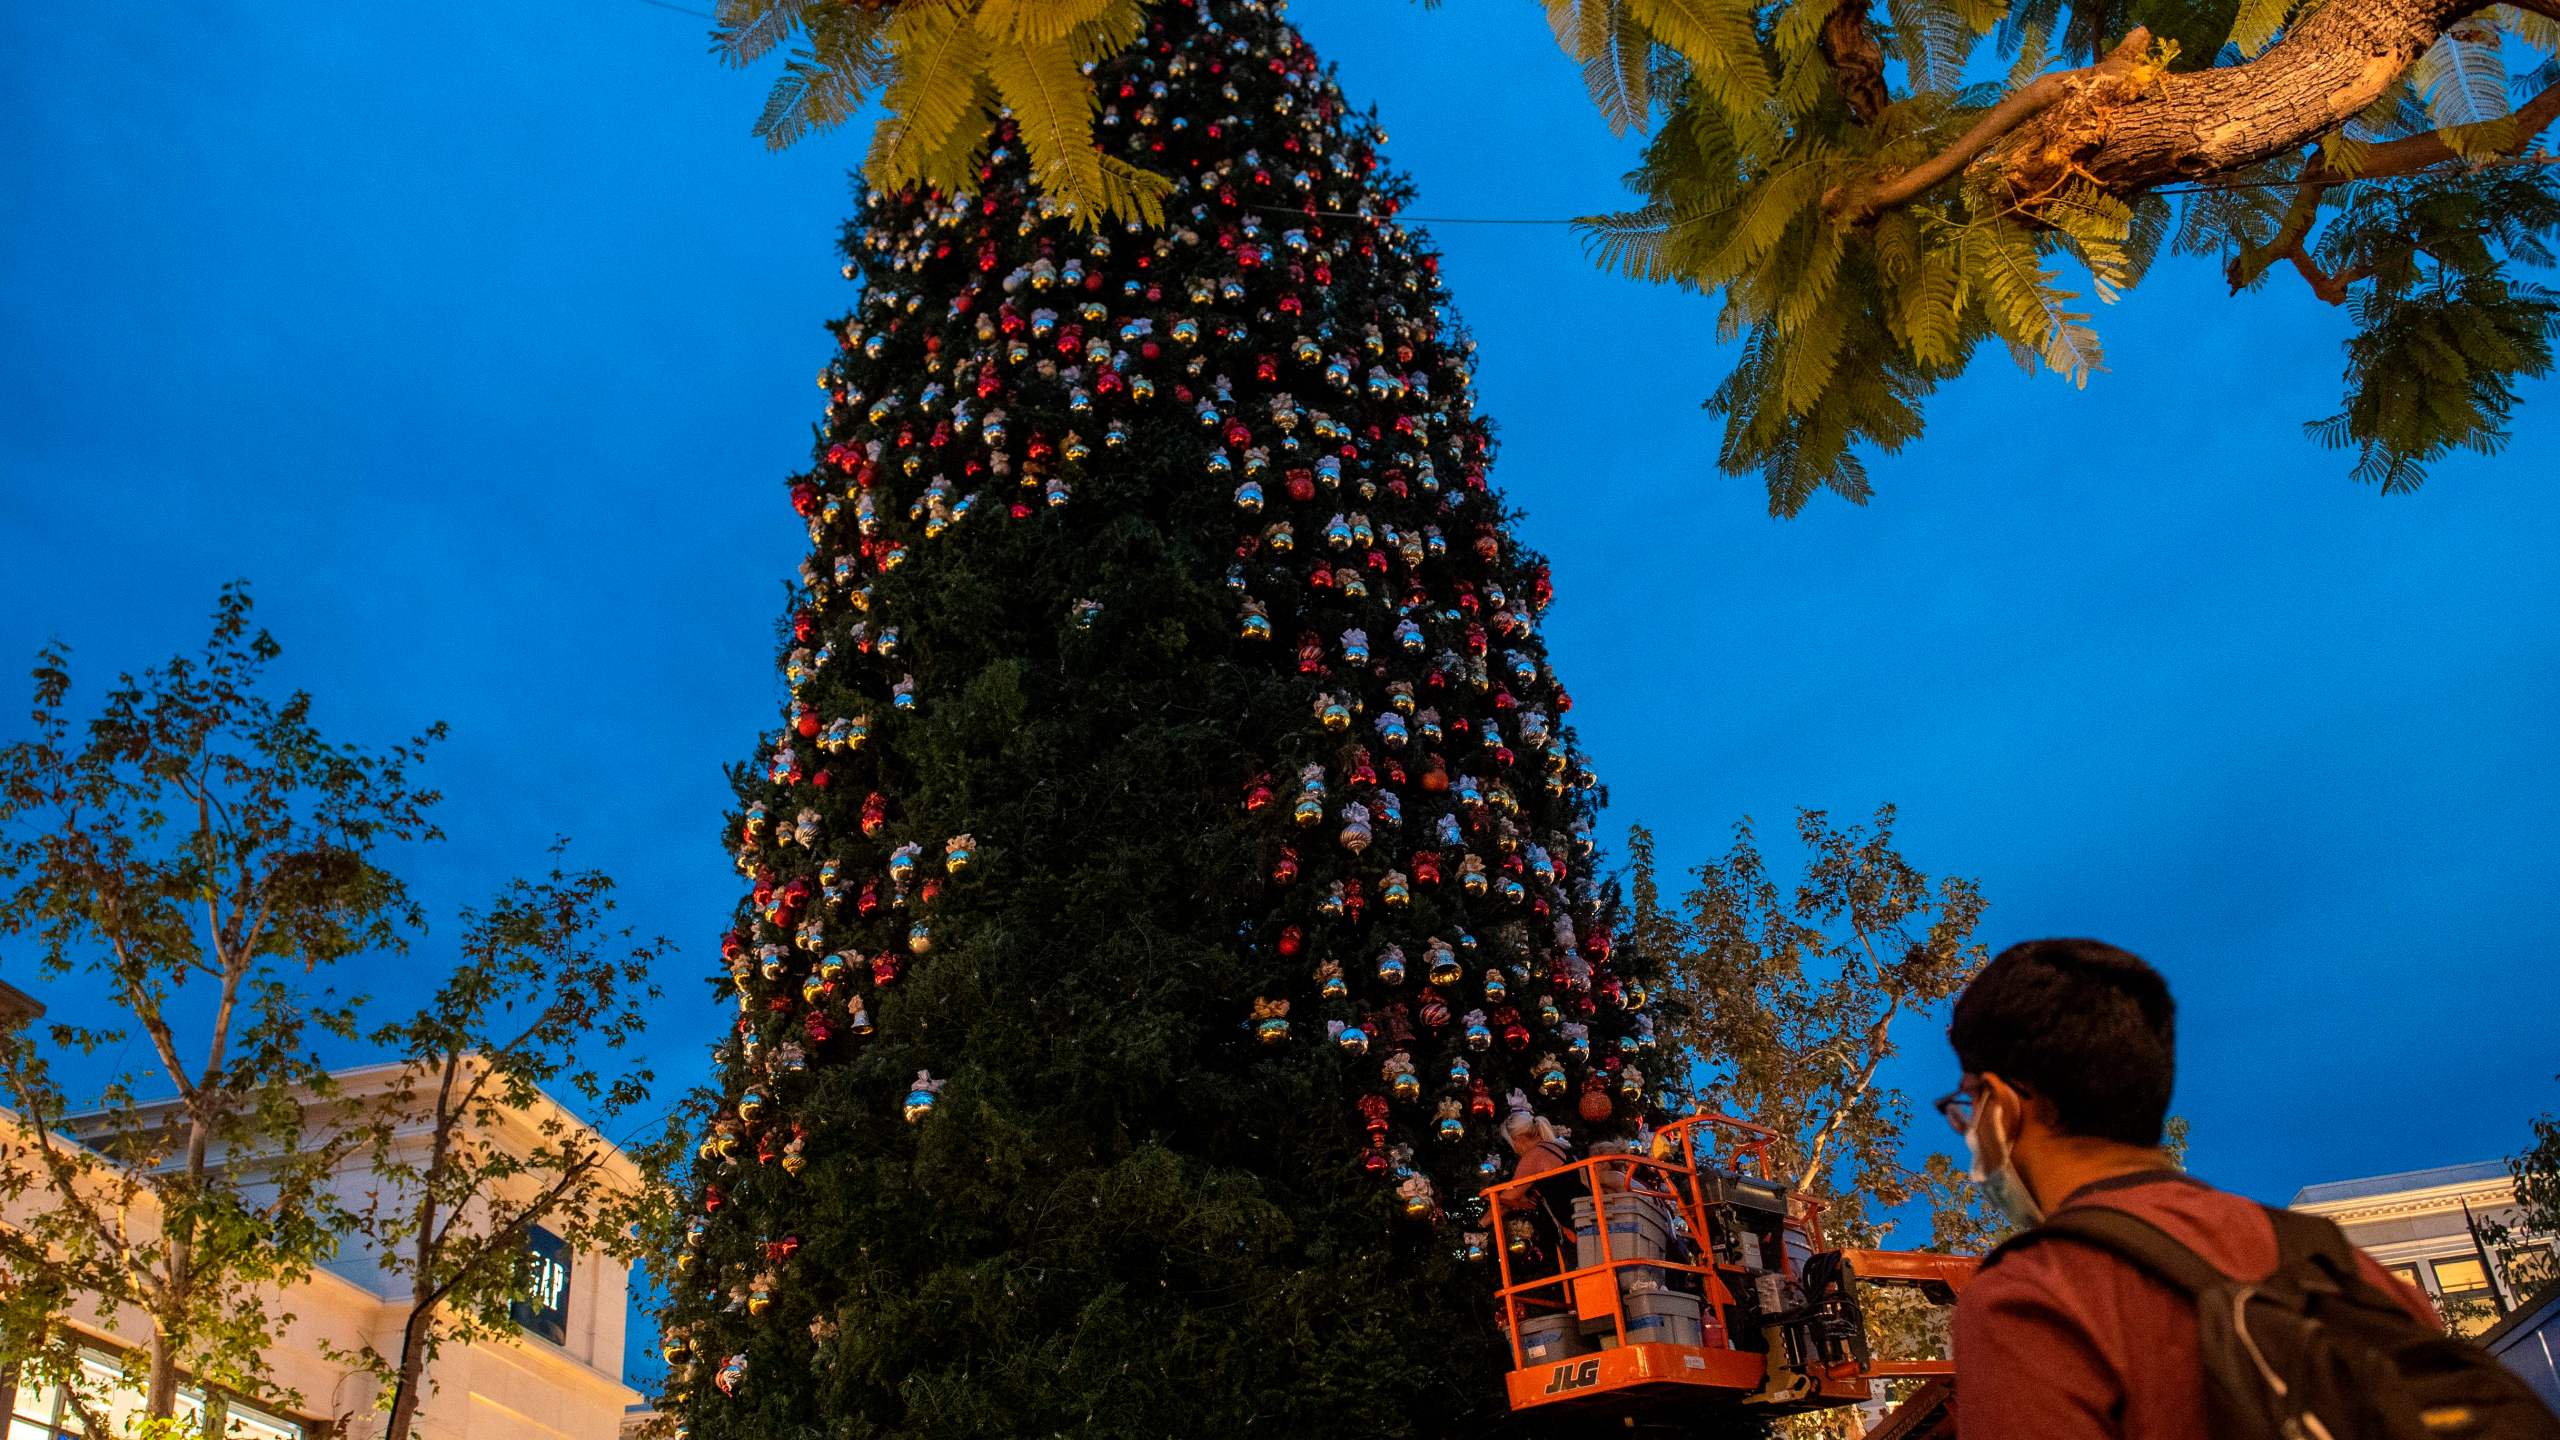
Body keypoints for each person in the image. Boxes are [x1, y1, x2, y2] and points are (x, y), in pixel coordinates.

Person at [1942, 937, 2439, 1439]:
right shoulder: (2355, 1276)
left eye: (1969, 1101)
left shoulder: (2032, 1300)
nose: (1968, 1128)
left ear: (2004, 1104)